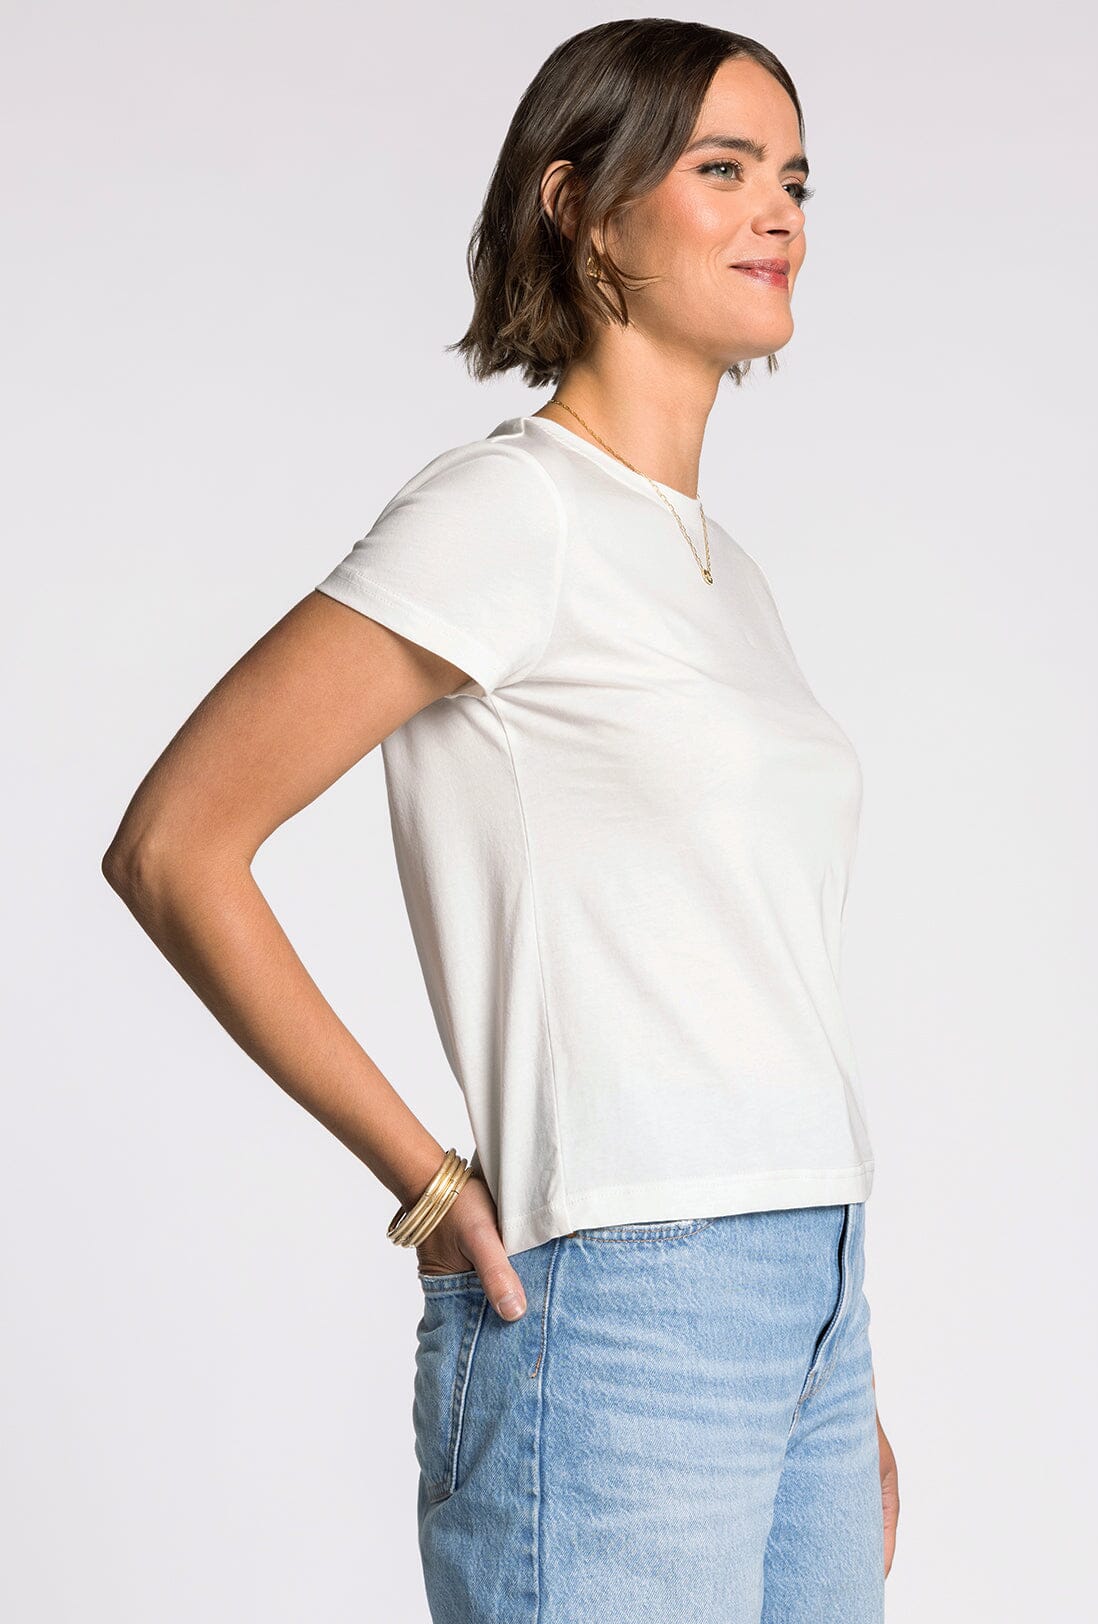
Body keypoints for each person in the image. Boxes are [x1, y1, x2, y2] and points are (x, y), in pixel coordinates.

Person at [103, 18, 899, 1621]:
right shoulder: (508, 511)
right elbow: (178, 844)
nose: (778, 212)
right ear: (578, 203)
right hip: (619, 1298)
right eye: (723, 168)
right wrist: (425, 1178)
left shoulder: (723, 571)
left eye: (795, 179)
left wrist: (827, 1361)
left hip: (807, 1288)